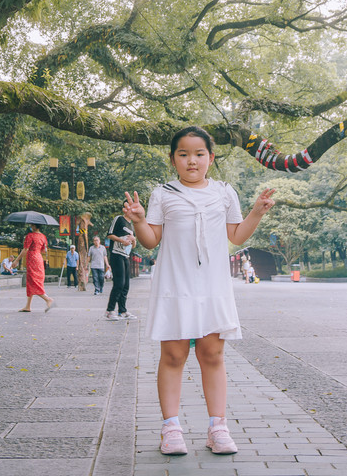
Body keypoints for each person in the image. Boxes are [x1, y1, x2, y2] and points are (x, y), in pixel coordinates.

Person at [123, 125, 275, 456]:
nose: (192, 161)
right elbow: (152, 240)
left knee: (212, 354)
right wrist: (138, 221)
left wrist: (256, 213)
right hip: (174, 283)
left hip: (212, 286)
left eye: (199, 154)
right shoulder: (162, 193)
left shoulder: (224, 192)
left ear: (211, 157)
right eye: (184, 154)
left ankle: (217, 427)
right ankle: (171, 429)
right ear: (172, 158)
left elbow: (236, 235)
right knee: (174, 355)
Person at [11, 225, 55, 313]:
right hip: (39, 258)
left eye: (31, 225)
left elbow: (25, 249)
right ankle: (28, 306)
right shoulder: (43, 236)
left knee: (33, 281)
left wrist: (16, 260)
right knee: (32, 281)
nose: (30, 226)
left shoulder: (30, 236)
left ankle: (48, 299)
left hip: (32, 258)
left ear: (34, 226)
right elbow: (44, 250)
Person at [105, 213, 135, 320]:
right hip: (116, 254)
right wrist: (123, 241)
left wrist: (133, 239)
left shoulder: (131, 225)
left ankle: (122, 311)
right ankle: (110, 310)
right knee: (119, 283)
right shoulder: (119, 219)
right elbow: (109, 235)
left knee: (126, 284)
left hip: (126, 256)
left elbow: (133, 245)